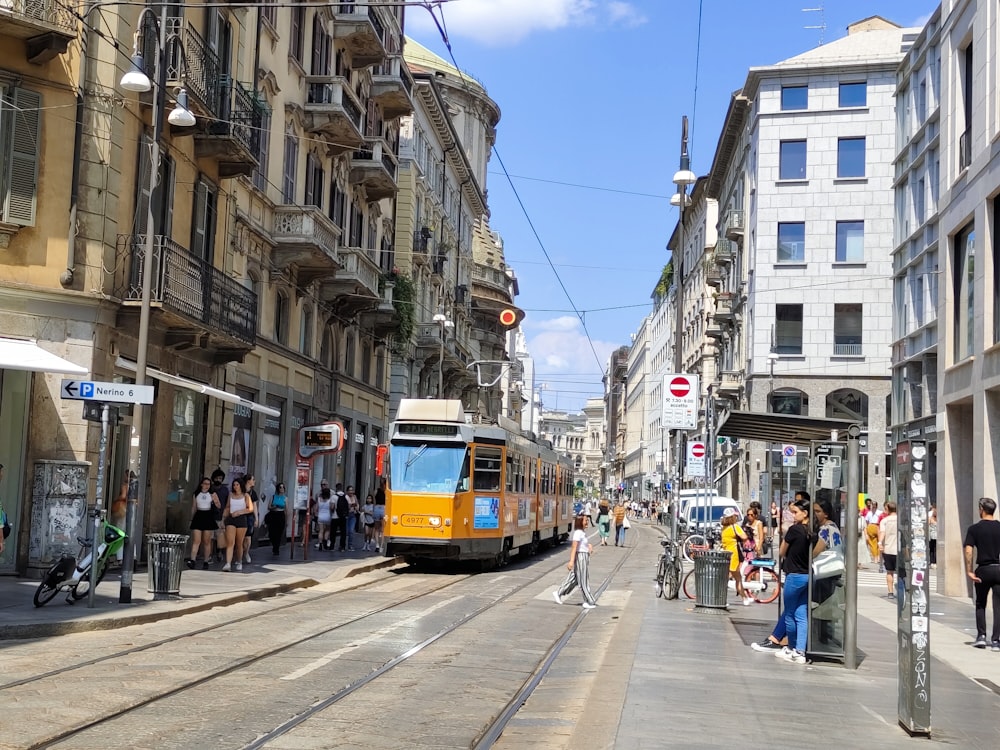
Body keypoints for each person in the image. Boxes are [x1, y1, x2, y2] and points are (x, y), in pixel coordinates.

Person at [775, 498, 812, 664]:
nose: (793, 515)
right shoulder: (813, 531)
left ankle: (791, 647)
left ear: (805, 513)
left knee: (790, 613)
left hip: (794, 575)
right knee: (801, 615)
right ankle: (800, 651)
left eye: (796, 512)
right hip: (807, 575)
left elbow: (782, 552)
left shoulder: (794, 530)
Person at [964, 497, 1000, 650]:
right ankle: (996, 640)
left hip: (983, 570)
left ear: (982, 509)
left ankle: (981, 636)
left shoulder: (974, 529)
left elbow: (968, 550)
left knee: (980, 603)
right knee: (998, 606)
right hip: (998, 568)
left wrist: (969, 571)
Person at [552, 514, 598, 609]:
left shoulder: (581, 532)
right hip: (580, 557)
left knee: (574, 579)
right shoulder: (578, 533)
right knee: (583, 580)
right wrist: (571, 561)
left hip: (583, 556)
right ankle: (588, 601)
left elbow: (582, 545)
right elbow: (574, 547)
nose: (587, 522)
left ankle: (559, 592)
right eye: (585, 520)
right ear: (580, 522)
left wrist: (589, 546)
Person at [720, 508, 753, 606]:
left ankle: (745, 598)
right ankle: (723, 600)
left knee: (736, 577)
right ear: (732, 517)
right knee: (735, 578)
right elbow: (744, 537)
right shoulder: (735, 527)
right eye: (735, 515)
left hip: (725, 554)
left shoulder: (724, 528)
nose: (736, 517)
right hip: (734, 554)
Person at [186, 477, 220, 569]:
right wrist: (191, 519)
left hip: (208, 515)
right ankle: (192, 560)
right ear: (201, 484)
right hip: (199, 515)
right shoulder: (196, 493)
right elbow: (194, 507)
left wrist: (215, 500)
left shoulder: (212, 494)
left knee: (207, 541)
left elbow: (219, 505)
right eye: (205, 483)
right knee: (196, 540)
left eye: (208, 484)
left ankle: (206, 561)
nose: (206, 486)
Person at [222, 477, 254, 572]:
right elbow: (227, 507)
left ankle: (239, 561)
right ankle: (228, 563)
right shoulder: (231, 495)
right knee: (230, 542)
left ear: (241, 485)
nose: (235, 487)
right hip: (231, 519)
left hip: (241, 519)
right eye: (234, 485)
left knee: (239, 543)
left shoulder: (246, 496)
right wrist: (223, 518)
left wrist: (240, 512)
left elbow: (250, 508)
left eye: (237, 485)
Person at [878, 501, 899, 598]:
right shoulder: (901, 520)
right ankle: (902, 590)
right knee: (902, 572)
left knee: (890, 571)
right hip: (899, 549)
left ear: (888, 509)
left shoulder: (885, 521)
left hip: (888, 548)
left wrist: (880, 543)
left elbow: (882, 533)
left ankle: (890, 592)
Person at [210, 469, 229, 563]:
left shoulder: (225, 490)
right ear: (213, 478)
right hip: (209, 517)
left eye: (220, 478)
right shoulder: (210, 489)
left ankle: (219, 553)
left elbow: (227, 504)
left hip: (220, 516)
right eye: (217, 478)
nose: (218, 480)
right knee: (210, 538)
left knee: (219, 537)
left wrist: (225, 517)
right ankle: (209, 555)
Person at [265, 482, 287, 556]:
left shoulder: (285, 498)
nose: (282, 489)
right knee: (272, 532)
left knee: (279, 532)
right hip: (273, 514)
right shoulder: (273, 497)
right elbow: (269, 507)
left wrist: (287, 519)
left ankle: (276, 548)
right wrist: (274, 507)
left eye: (283, 487)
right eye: (280, 487)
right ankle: (274, 544)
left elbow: (286, 509)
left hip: (281, 515)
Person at [242, 474, 260, 565]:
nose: (254, 481)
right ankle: (239, 554)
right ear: (248, 481)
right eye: (253, 479)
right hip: (240, 515)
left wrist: (256, 518)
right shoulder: (240, 491)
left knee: (248, 537)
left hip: (249, 516)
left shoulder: (253, 493)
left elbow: (255, 506)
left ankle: (246, 553)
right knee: (240, 537)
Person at [314, 483, 333, 550]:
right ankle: (325, 540)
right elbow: (331, 508)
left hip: (320, 516)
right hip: (328, 516)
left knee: (321, 531)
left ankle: (320, 544)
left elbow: (315, 508)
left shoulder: (319, 499)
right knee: (327, 530)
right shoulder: (330, 499)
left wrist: (316, 514)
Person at [332, 483, 350, 552]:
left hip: (335, 516)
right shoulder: (346, 496)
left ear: (336, 488)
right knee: (343, 532)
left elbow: (332, 507)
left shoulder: (334, 497)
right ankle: (342, 546)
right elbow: (348, 506)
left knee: (333, 532)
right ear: (342, 488)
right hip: (343, 517)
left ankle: (332, 546)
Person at [373, 478, 387, 549]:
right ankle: (381, 546)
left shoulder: (376, 491)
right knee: (383, 529)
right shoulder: (386, 491)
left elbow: (374, 501)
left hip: (377, 508)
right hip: (384, 508)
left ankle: (377, 545)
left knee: (377, 528)